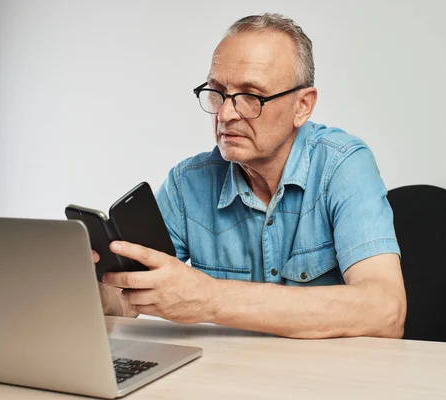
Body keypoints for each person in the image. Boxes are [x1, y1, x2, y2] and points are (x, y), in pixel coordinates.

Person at [95, 13, 406, 339]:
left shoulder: (343, 165)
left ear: (303, 105)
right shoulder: (187, 183)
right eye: (217, 93)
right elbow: (130, 297)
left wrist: (210, 298)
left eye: (250, 96)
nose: (225, 114)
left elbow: (385, 311)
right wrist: (101, 294)